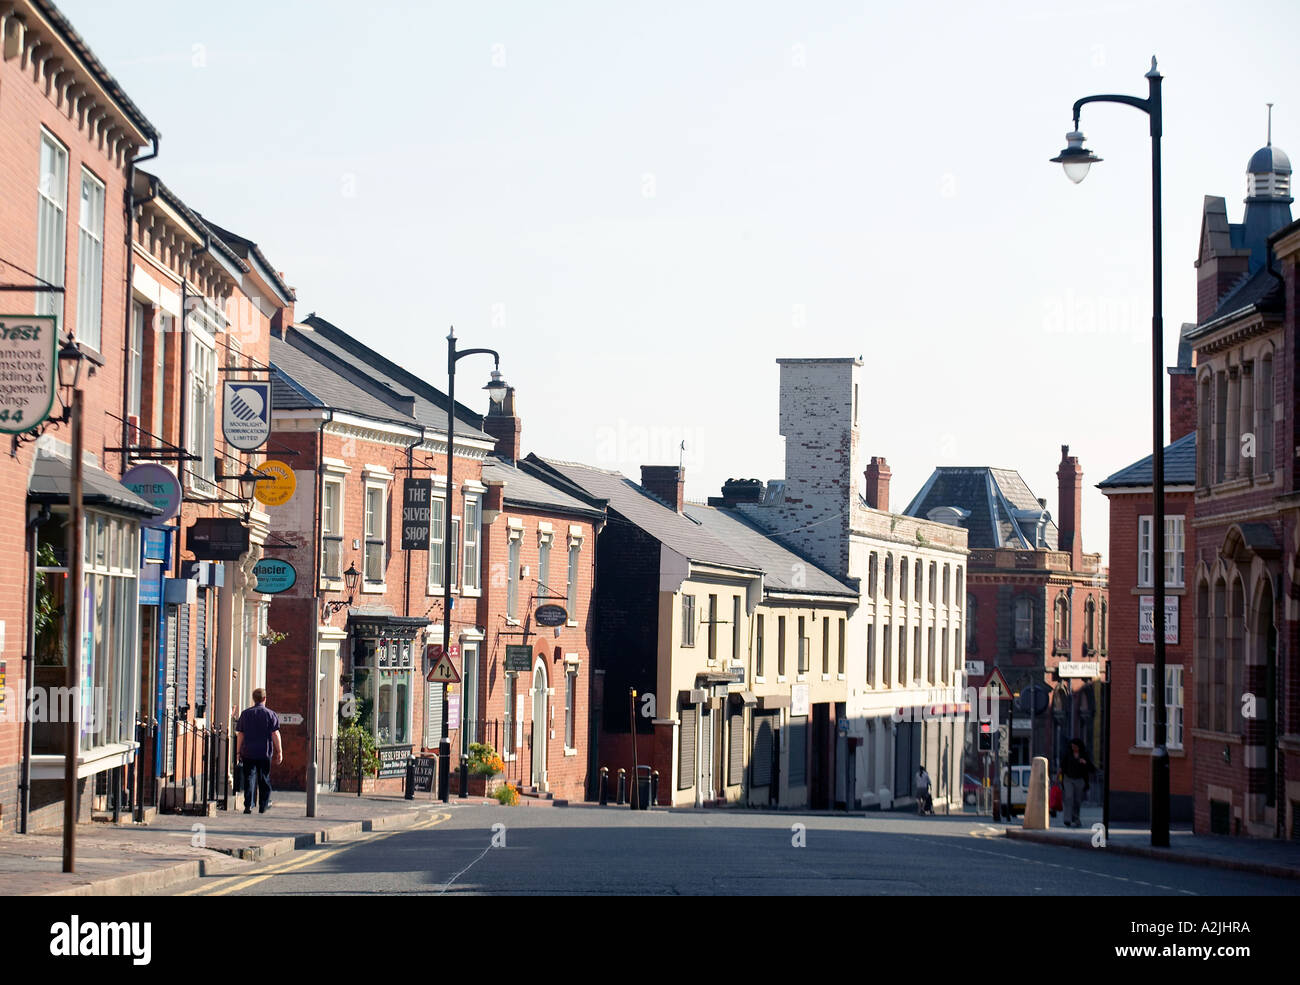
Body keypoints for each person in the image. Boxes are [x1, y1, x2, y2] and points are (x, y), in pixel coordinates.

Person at [236, 688, 282, 814]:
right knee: (264, 778)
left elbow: (241, 734)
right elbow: (275, 734)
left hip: (248, 752)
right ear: (265, 698)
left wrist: (238, 752)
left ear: (253, 699)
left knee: (249, 778)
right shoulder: (270, 714)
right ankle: (263, 804)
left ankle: (248, 805)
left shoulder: (245, 714)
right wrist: (279, 751)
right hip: (264, 752)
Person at [1061, 738, 1094, 827]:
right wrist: (1060, 779)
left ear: (1079, 747)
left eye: (1075, 747)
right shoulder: (1068, 754)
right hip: (1068, 779)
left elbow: (1091, 768)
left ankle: (1076, 818)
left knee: (1077, 801)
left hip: (1079, 780)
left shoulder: (1084, 755)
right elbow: (1062, 766)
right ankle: (1067, 819)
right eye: (1072, 746)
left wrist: (1085, 763)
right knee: (1069, 797)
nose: (1073, 748)